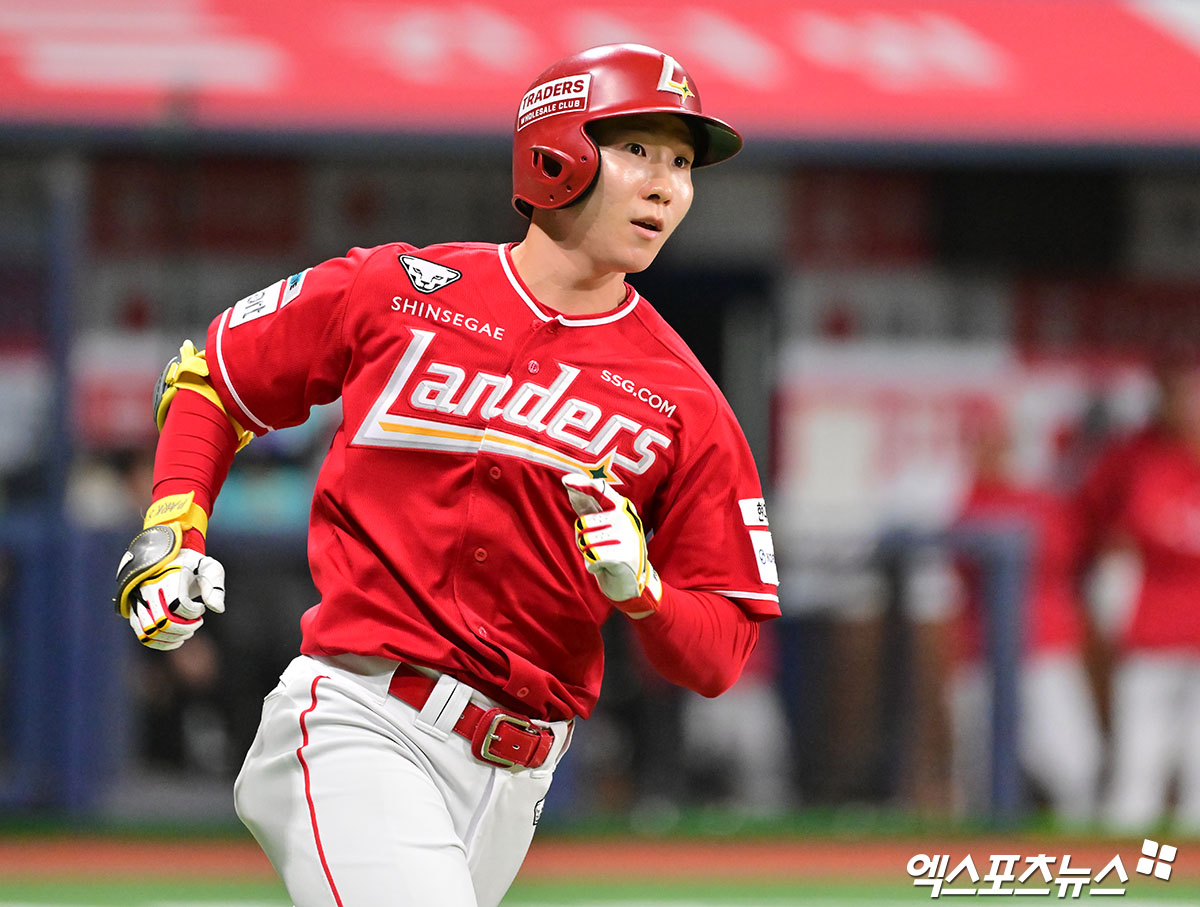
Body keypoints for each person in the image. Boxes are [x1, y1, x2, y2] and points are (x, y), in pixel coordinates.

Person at [113, 43, 780, 907]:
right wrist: (173, 527)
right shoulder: (400, 289)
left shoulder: (687, 400)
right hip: (360, 720)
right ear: (557, 151)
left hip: (517, 782)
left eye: (682, 164)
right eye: (638, 149)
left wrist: (644, 591)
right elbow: (213, 375)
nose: (666, 186)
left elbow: (722, 648)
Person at [945, 421, 1102, 824]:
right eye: (988, 447)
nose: (998, 457)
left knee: (1074, 761)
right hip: (984, 652)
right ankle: (976, 846)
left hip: (1046, 647)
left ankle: (1077, 840)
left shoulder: (1045, 502)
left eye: (1004, 447)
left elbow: (1068, 554)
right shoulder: (970, 502)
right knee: (979, 768)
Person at [1080, 364, 1200, 833]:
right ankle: (1125, 857)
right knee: (1139, 756)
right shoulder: (1146, 463)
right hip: (1153, 629)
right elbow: (1131, 533)